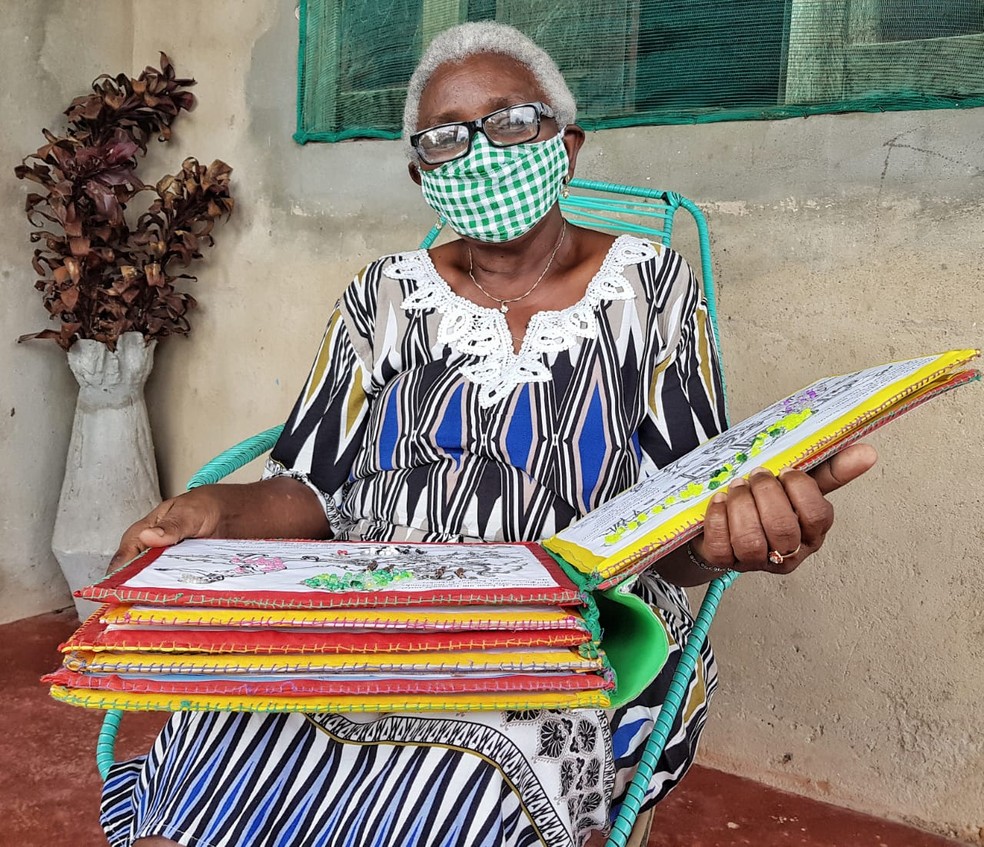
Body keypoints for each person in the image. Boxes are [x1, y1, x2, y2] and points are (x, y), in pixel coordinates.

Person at [105, 21, 877, 847]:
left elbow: (680, 522)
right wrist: (207, 512)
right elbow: (309, 487)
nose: (481, 150)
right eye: (445, 139)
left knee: (459, 797)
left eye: (513, 121)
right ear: (421, 174)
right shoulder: (381, 295)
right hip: (366, 609)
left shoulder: (650, 286)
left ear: (566, 145)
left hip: (576, 628)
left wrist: (731, 534)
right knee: (218, 745)